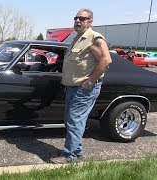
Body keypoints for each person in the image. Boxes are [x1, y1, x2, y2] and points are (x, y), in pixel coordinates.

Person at [51, 8, 112, 164]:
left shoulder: (94, 38)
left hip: (84, 89)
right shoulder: (78, 38)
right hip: (73, 87)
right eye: (76, 18)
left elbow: (106, 61)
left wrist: (90, 81)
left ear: (90, 21)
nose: (78, 21)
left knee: (74, 121)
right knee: (70, 121)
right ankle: (76, 152)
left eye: (82, 18)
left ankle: (69, 156)